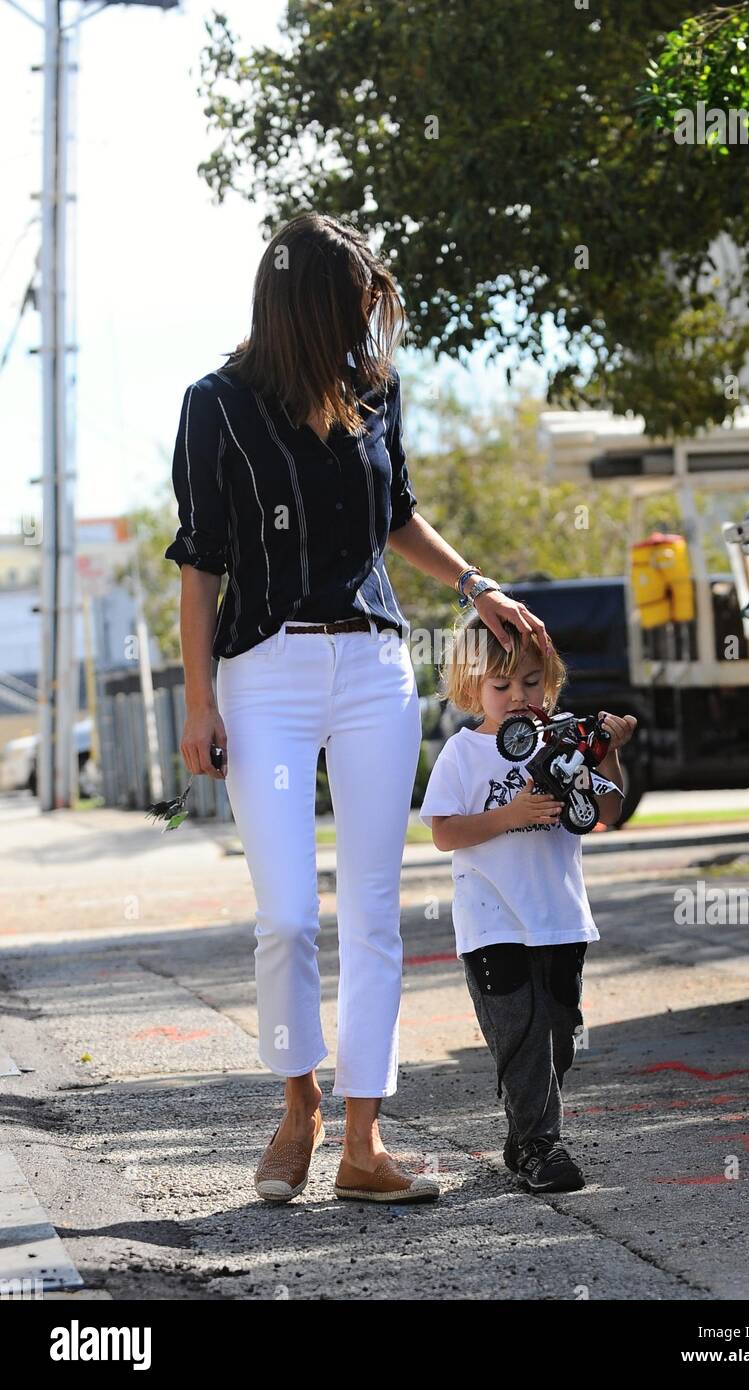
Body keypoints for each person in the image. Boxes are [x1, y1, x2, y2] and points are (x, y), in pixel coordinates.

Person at [164, 211, 553, 1205]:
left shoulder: (374, 392)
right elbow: (200, 565)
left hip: (376, 669)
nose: (366, 323)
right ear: (303, 304)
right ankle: (296, 1100)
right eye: (352, 304)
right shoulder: (214, 406)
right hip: (266, 676)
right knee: (288, 915)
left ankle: (361, 1143)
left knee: (374, 917)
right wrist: (197, 701)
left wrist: (474, 584)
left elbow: (395, 513)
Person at [419, 612, 637, 1193]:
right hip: (492, 925)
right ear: (471, 688)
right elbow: (444, 832)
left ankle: (525, 1135)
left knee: (560, 1033)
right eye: (501, 686)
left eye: (532, 682)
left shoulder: (564, 741)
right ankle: (543, 1145)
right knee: (522, 1037)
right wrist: (508, 816)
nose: (519, 697)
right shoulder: (463, 754)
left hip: (560, 918)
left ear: (552, 682)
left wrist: (608, 751)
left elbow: (608, 813)